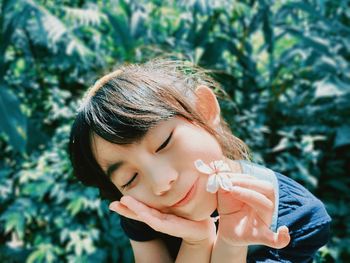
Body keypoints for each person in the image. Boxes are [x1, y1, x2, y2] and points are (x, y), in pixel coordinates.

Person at [68, 59, 331, 262]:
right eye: (130, 178)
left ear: (204, 110)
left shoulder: (298, 218)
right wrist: (197, 242)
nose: (161, 182)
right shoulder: (143, 207)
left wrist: (231, 244)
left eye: (164, 143)